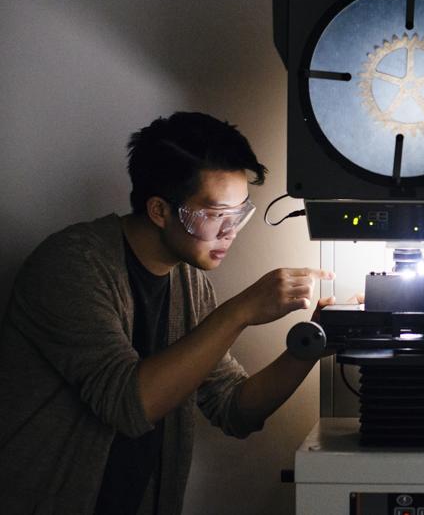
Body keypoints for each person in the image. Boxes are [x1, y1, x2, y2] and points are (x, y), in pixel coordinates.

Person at [0, 112, 334, 515]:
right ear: (159, 211)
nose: (230, 231)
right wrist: (241, 310)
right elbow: (128, 404)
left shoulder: (189, 285)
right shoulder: (70, 265)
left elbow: (234, 409)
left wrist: (314, 340)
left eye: (239, 213)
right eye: (214, 215)